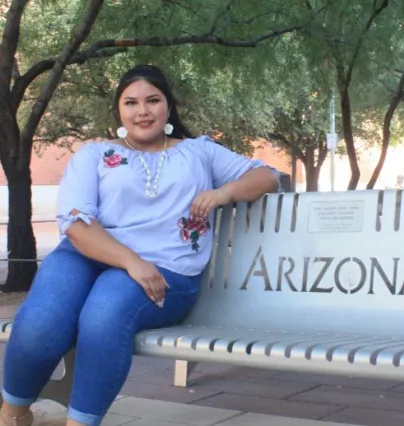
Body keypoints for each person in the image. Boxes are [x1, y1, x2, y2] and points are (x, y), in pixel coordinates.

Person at [0, 64, 280, 426]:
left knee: (103, 314)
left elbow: (267, 176)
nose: (142, 111)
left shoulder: (199, 152)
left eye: (152, 100)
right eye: (131, 102)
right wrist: (130, 260)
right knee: (42, 320)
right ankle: (13, 415)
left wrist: (224, 191)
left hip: (166, 268)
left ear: (168, 106)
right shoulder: (93, 155)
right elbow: (76, 224)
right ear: (119, 109)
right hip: (90, 255)